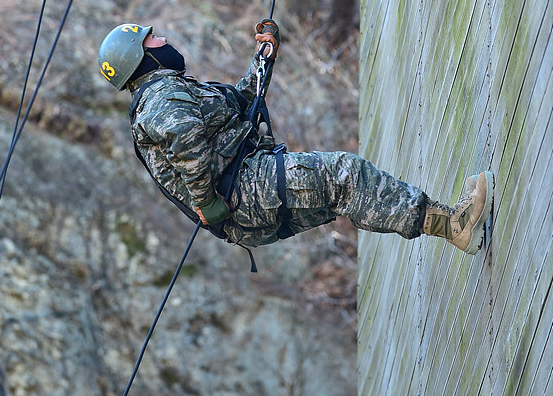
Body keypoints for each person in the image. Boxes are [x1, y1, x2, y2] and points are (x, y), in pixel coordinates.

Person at [98, 20, 494, 255]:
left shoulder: (169, 91)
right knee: (346, 175)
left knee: (345, 190)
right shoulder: (158, 96)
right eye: (151, 39)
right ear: (139, 57)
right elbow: (185, 141)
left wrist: (264, 56)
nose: (162, 38)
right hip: (244, 193)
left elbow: (241, 103)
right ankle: (454, 226)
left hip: (245, 200)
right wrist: (207, 202)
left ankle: (452, 227)